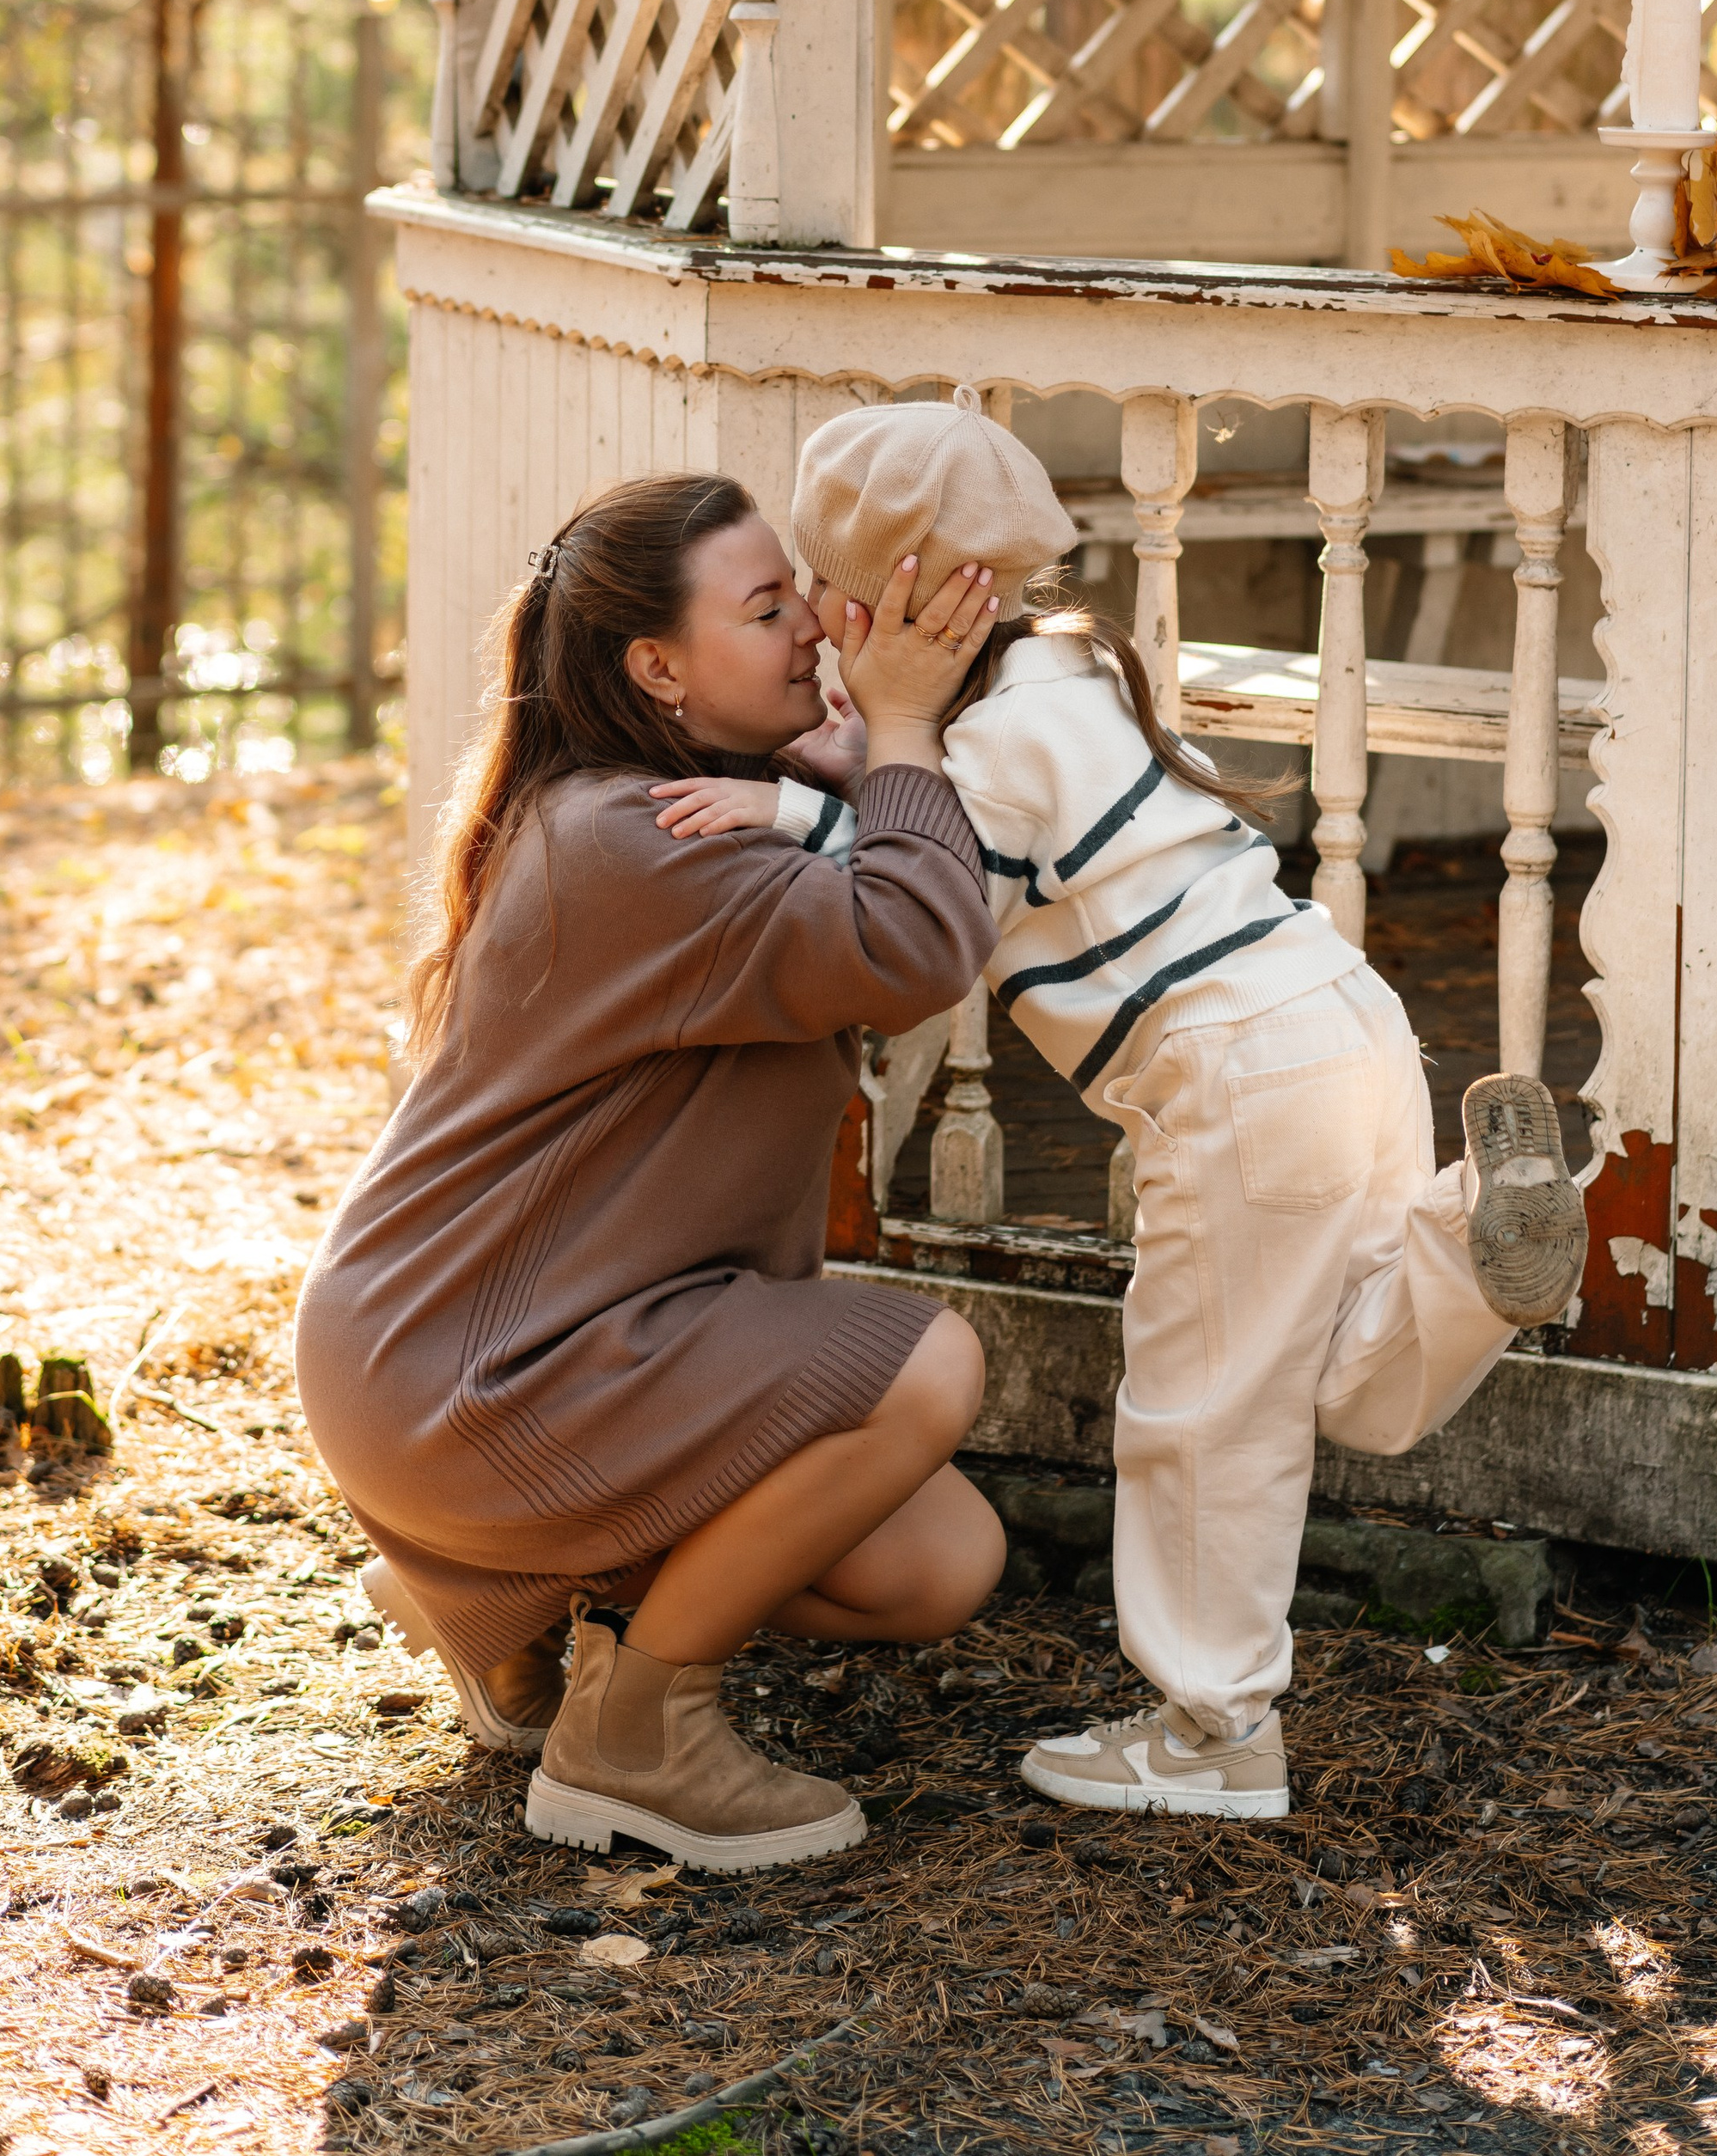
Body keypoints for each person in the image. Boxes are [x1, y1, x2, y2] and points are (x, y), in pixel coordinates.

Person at [651, 391, 1587, 1823]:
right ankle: (1476, 1247)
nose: (815, 634)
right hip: (1341, 1017)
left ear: (891, 600)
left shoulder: (995, 747)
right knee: (1336, 1377)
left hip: (1234, 1075)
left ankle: (1215, 1731)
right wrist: (855, 751)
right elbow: (940, 795)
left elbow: (928, 874)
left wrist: (783, 812)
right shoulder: (1065, 681)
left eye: (824, 598)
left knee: (1203, 1407)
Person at [293, 472, 1007, 1873]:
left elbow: (870, 884)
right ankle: (637, 1732)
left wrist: (853, 778)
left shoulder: (670, 804)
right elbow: (917, 946)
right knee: (930, 1370)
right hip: (467, 1374)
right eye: (766, 607)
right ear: (657, 668)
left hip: (478, 1360)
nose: (814, 625)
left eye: (798, 589)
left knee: (935, 1561)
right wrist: (910, 729)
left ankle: (492, 1589)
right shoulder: (646, 845)